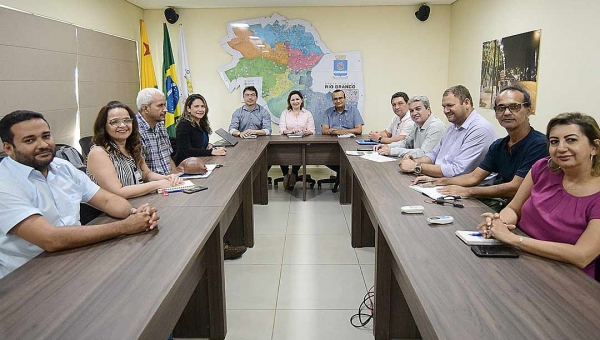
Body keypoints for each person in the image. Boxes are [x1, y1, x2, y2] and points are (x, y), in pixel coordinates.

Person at [0, 110, 159, 279]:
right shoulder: (5, 183)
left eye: (46, 136)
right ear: (8, 148)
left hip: (77, 258)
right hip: (28, 277)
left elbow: (107, 200)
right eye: (30, 140)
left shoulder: (63, 167)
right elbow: (50, 239)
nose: (43, 144)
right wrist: (125, 227)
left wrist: (136, 214)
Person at [478, 112, 600, 279]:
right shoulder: (542, 168)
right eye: (554, 142)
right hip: (520, 258)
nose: (561, 148)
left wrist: (513, 239)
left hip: (567, 278)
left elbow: (581, 256)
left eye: (571, 140)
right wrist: (499, 223)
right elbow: (514, 209)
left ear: (595, 147)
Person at [414, 86, 548, 211]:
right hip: (505, 204)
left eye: (514, 107)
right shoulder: (499, 146)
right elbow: (473, 177)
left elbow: (515, 187)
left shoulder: (539, 144)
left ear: (528, 110)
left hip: (528, 210)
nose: (507, 112)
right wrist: (438, 181)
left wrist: (468, 191)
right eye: (501, 108)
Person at [86, 101, 183, 199]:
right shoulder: (98, 153)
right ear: (103, 126)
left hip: (136, 204)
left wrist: (167, 178)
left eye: (127, 120)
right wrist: (158, 184)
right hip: (107, 212)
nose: (123, 125)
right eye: (115, 122)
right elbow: (118, 192)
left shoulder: (132, 147)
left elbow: (146, 174)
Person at [399, 85, 496, 178]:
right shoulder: (453, 126)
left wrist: (417, 166)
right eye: (444, 106)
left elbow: (457, 171)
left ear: (466, 103)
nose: (445, 111)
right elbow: (433, 154)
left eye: (450, 105)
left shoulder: (480, 129)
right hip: (444, 178)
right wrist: (414, 161)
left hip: (467, 188)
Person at [374, 95, 445, 158]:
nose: (414, 113)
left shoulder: (436, 126)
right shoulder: (417, 124)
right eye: (411, 111)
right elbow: (406, 142)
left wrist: (392, 151)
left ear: (428, 109)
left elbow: (423, 153)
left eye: (418, 109)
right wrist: (388, 146)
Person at [321, 89, 364, 192]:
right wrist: (336, 132)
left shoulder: (353, 110)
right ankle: (343, 173)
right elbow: (324, 130)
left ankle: (344, 175)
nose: (338, 101)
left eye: (340, 98)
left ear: (345, 99)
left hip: (350, 143)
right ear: (332, 101)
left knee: (351, 159)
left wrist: (340, 131)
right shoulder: (328, 112)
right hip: (332, 144)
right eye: (335, 99)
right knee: (324, 157)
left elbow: (359, 130)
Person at [174, 94, 226, 165]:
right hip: (186, 166)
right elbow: (187, 151)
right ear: (188, 109)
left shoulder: (202, 124)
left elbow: (198, 145)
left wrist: (208, 146)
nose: (200, 109)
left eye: (202, 106)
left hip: (201, 161)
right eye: (196, 106)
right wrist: (211, 152)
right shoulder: (183, 125)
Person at [278, 90, 315, 190]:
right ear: (289, 102)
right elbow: (281, 130)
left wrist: (306, 131)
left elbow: (312, 130)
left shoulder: (307, 113)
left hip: (302, 142)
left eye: (297, 99)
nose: (295, 102)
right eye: (292, 100)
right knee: (281, 152)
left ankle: (294, 173)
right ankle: (286, 175)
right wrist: (291, 131)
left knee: (299, 151)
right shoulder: (285, 113)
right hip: (287, 141)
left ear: (301, 100)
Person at [136, 88, 176, 175]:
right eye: (160, 105)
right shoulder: (134, 130)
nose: (165, 110)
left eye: (164, 105)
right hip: (151, 184)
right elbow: (140, 171)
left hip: (169, 182)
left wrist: (176, 177)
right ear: (145, 108)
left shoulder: (160, 125)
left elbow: (168, 158)